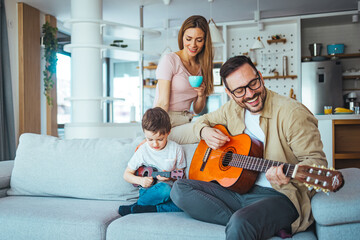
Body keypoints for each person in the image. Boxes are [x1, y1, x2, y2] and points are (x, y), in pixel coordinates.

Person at [170, 55, 328, 239]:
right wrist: (204, 131)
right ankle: (259, 224)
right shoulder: (232, 109)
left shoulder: (292, 113)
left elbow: (318, 165)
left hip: (280, 195)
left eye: (253, 83)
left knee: (241, 223)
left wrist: (287, 174)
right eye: (239, 90)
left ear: (260, 76)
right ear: (229, 93)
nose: (250, 94)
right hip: (239, 190)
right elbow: (202, 120)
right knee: (179, 189)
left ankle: (249, 222)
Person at [154, 15, 214, 144]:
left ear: (205, 41)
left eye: (199, 40)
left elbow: (197, 109)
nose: (193, 45)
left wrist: (201, 94)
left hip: (186, 119)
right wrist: (156, 134)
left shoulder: (202, 67)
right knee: (206, 131)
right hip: (166, 121)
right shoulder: (170, 60)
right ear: (182, 37)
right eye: (188, 39)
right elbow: (162, 102)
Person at [118, 107, 186, 216]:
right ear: (144, 133)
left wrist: (169, 177)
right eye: (150, 139)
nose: (155, 144)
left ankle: (143, 208)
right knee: (164, 189)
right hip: (149, 192)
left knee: (186, 204)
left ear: (168, 132)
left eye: (160, 139)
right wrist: (141, 181)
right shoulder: (142, 150)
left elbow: (181, 176)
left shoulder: (176, 149)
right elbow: (126, 175)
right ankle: (144, 205)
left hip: (170, 192)